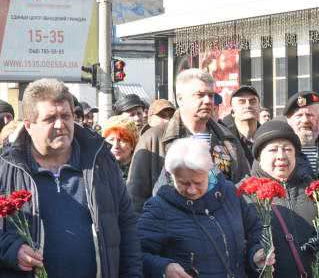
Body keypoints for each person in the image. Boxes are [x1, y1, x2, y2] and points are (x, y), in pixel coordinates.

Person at [0, 78, 142, 277]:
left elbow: (127, 228)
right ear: (29, 126)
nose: (61, 125)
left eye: (66, 116)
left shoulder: (100, 162)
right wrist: (10, 249)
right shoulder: (6, 168)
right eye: (50, 119)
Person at [138, 138, 269, 278]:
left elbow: (255, 229)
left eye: (198, 182)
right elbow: (136, 253)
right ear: (171, 176)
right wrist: (163, 267)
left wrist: (255, 253)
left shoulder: (230, 193)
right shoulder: (159, 208)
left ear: (209, 171)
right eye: (183, 183)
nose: (192, 190)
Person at [127, 69, 251, 214]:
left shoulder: (227, 139)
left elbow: (245, 188)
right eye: (199, 95)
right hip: (173, 231)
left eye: (210, 95)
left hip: (222, 230)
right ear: (180, 99)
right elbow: (135, 199)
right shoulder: (153, 139)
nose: (207, 101)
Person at [247, 120, 319, 277]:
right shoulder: (245, 194)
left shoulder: (314, 189)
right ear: (259, 156)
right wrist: (254, 257)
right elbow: (237, 243)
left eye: (288, 149)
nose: (281, 156)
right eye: (273, 150)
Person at [284, 91, 319, 179]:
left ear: (318, 119)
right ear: (289, 120)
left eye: (310, 115)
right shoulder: (279, 151)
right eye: (299, 115)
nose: (305, 120)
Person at [222, 86, 261, 166]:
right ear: (232, 112)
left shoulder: (269, 137)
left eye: (252, 101)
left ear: (259, 108)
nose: (248, 105)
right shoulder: (223, 139)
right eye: (242, 102)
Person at [103, 115, 139, 179]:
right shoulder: (100, 170)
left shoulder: (142, 170)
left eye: (122, 140)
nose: (116, 146)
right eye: (111, 140)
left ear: (132, 145)